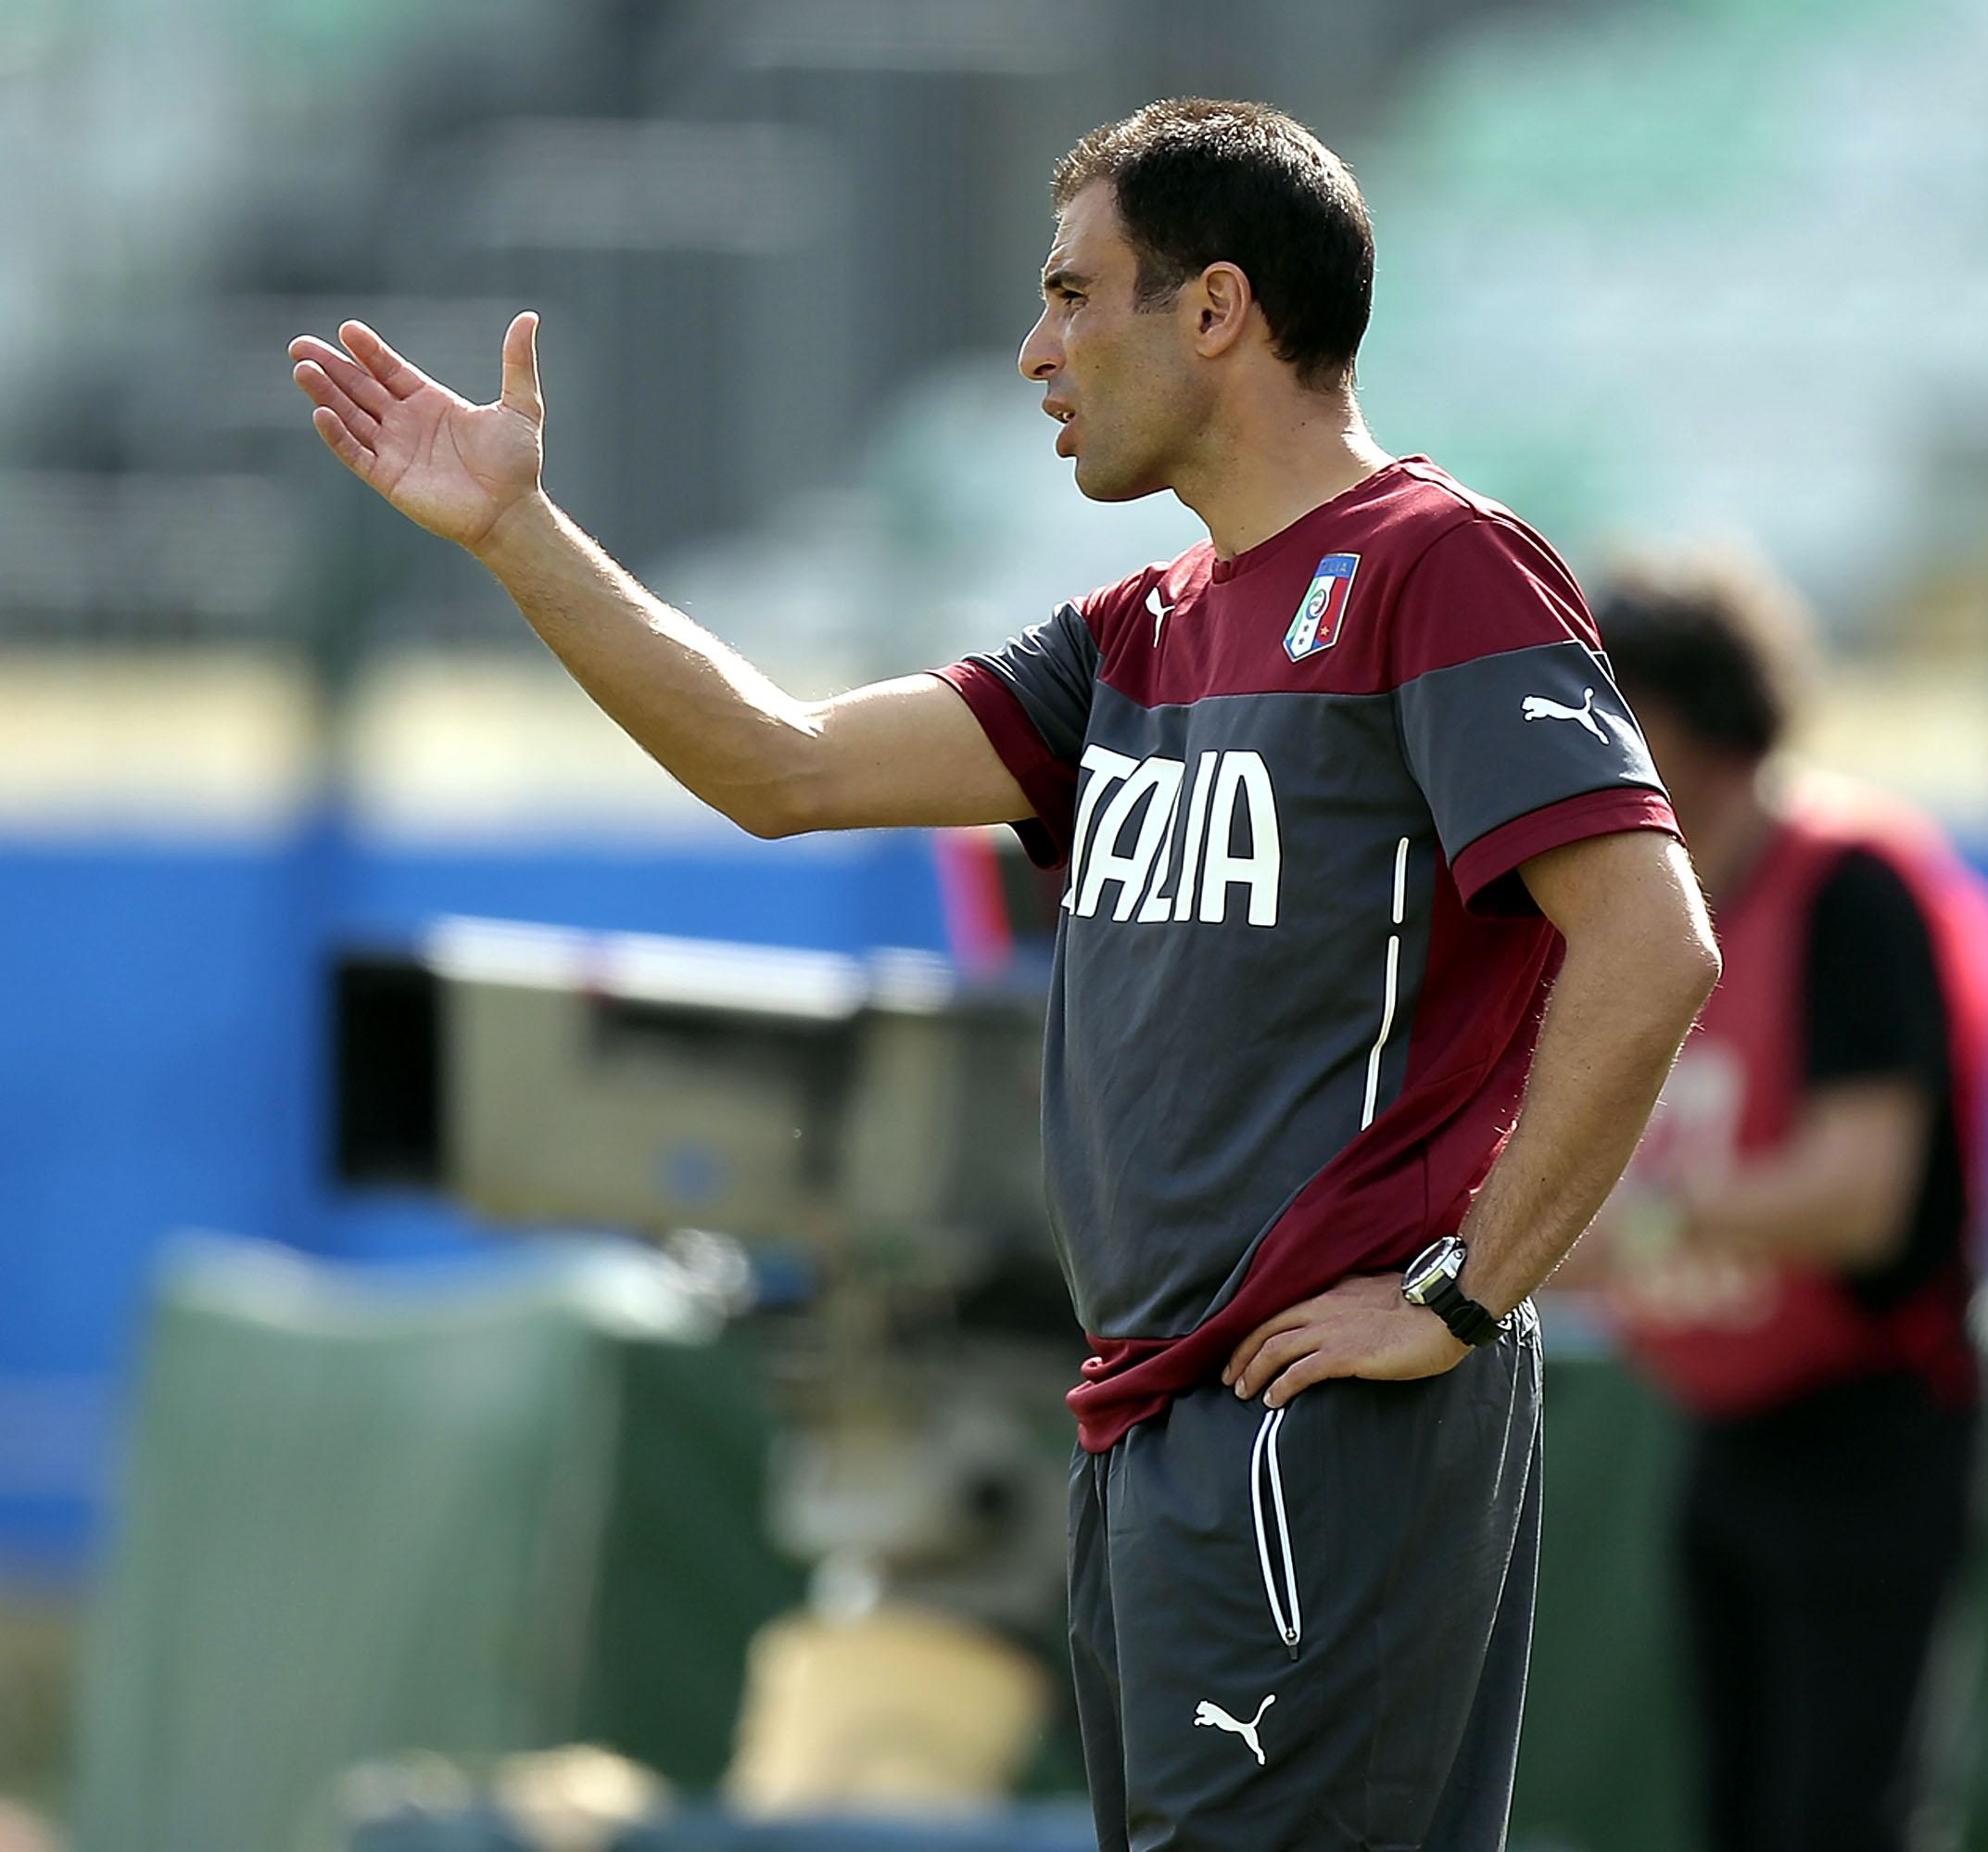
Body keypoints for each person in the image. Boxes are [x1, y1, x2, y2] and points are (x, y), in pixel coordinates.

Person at [286, 99, 1720, 1852]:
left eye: (1070, 293)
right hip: (1153, 1424)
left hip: (1313, 1421)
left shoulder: (1440, 567)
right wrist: (518, 532)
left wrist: (1456, 1293)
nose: (1035, 349)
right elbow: (781, 762)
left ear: (1212, 310)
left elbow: (1650, 946)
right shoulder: (1136, 630)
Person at [1576, 557, 1988, 1852]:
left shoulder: (1850, 888)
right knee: (1738, 1808)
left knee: (1838, 1814)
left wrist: (1631, 1227)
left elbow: (1858, 1194)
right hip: (1725, 1424)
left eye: (1622, 703)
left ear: (1706, 720)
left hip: (1873, 1422)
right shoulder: (1634, 912)